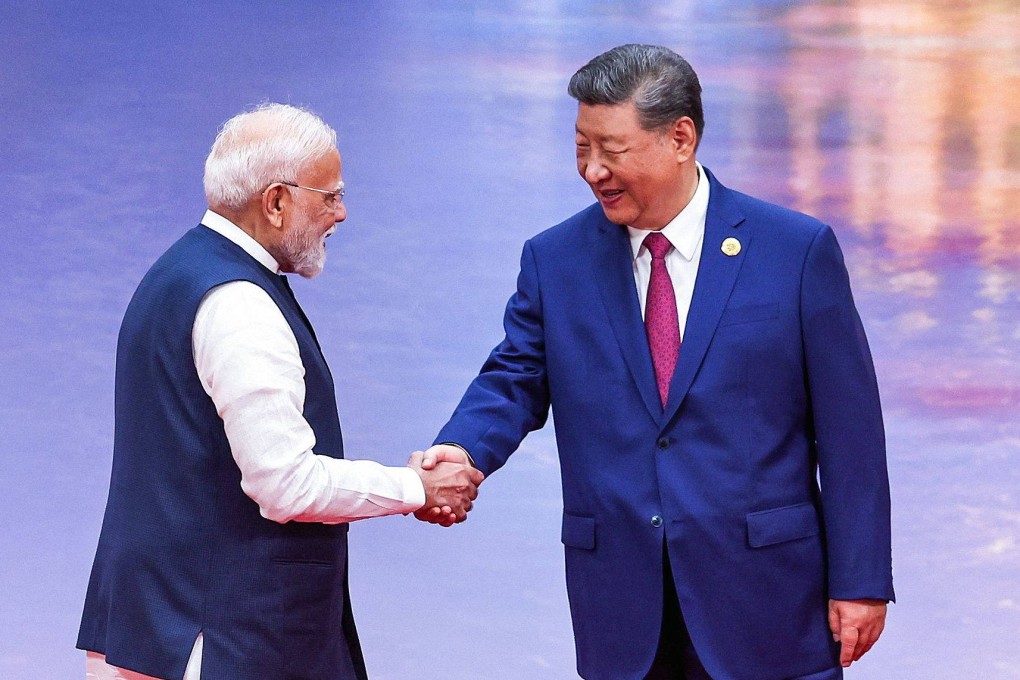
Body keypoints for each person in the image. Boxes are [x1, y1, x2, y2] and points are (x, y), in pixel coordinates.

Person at [420, 45, 894, 679]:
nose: (592, 171)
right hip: (622, 606)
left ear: (680, 137)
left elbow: (850, 431)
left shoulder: (794, 250)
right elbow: (515, 376)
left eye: (612, 150)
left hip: (768, 602)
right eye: (581, 147)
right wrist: (463, 450)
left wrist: (861, 579)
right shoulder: (556, 259)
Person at [77, 103, 482, 680]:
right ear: (276, 201)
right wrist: (416, 487)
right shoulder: (241, 306)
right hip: (221, 641)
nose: (340, 214)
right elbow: (285, 484)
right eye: (330, 196)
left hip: (154, 625)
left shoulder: (179, 272)